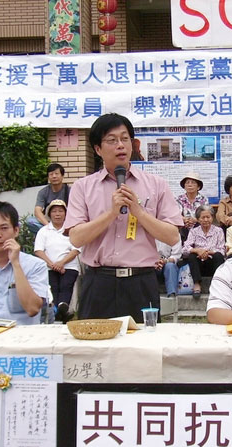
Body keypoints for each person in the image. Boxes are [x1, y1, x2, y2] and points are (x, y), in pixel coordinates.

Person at [65, 113, 181, 323]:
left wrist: (139, 212)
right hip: (99, 282)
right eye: (112, 140)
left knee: (144, 343)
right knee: (94, 343)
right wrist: (111, 214)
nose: (120, 145)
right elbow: (76, 238)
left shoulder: (156, 184)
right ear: (98, 149)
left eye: (125, 139)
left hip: (141, 283)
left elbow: (172, 237)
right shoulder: (82, 187)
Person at [34, 200, 81, 322]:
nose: (57, 214)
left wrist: (61, 263)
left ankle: (62, 310)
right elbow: (38, 250)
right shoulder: (44, 231)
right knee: (53, 288)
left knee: (66, 286)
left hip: (69, 267)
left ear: (66, 214)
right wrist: (52, 265)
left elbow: (75, 250)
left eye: (60, 211)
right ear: (49, 214)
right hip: (49, 267)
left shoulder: (71, 230)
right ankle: (58, 314)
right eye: (54, 211)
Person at [183, 205, 225, 299]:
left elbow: (222, 250)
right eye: (203, 217)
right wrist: (197, 250)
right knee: (192, 255)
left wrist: (207, 252)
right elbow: (185, 248)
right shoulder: (194, 231)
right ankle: (197, 284)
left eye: (208, 217)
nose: (206, 220)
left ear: (212, 218)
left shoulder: (218, 231)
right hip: (199, 263)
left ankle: (217, 284)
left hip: (212, 262)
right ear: (198, 219)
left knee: (218, 256)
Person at [26, 163, 71, 234]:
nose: (54, 176)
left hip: (65, 222)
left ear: (62, 176)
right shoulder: (43, 192)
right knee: (30, 221)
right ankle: (51, 233)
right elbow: (37, 211)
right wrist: (49, 226)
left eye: (56, 174)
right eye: (51, 174)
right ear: (48, 177)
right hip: (49, 222)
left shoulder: (70, 191)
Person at [176, 171, 208, 241]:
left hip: (199, 225)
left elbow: (205, 214)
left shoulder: (203, 199)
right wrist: (185, 219)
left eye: (193, 183)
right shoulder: (179, 199)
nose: (190, 185)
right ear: (184, 186)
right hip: (183, 226)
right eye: (187, 183)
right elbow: (177, 214)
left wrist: (195, 220)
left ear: (198, 187)